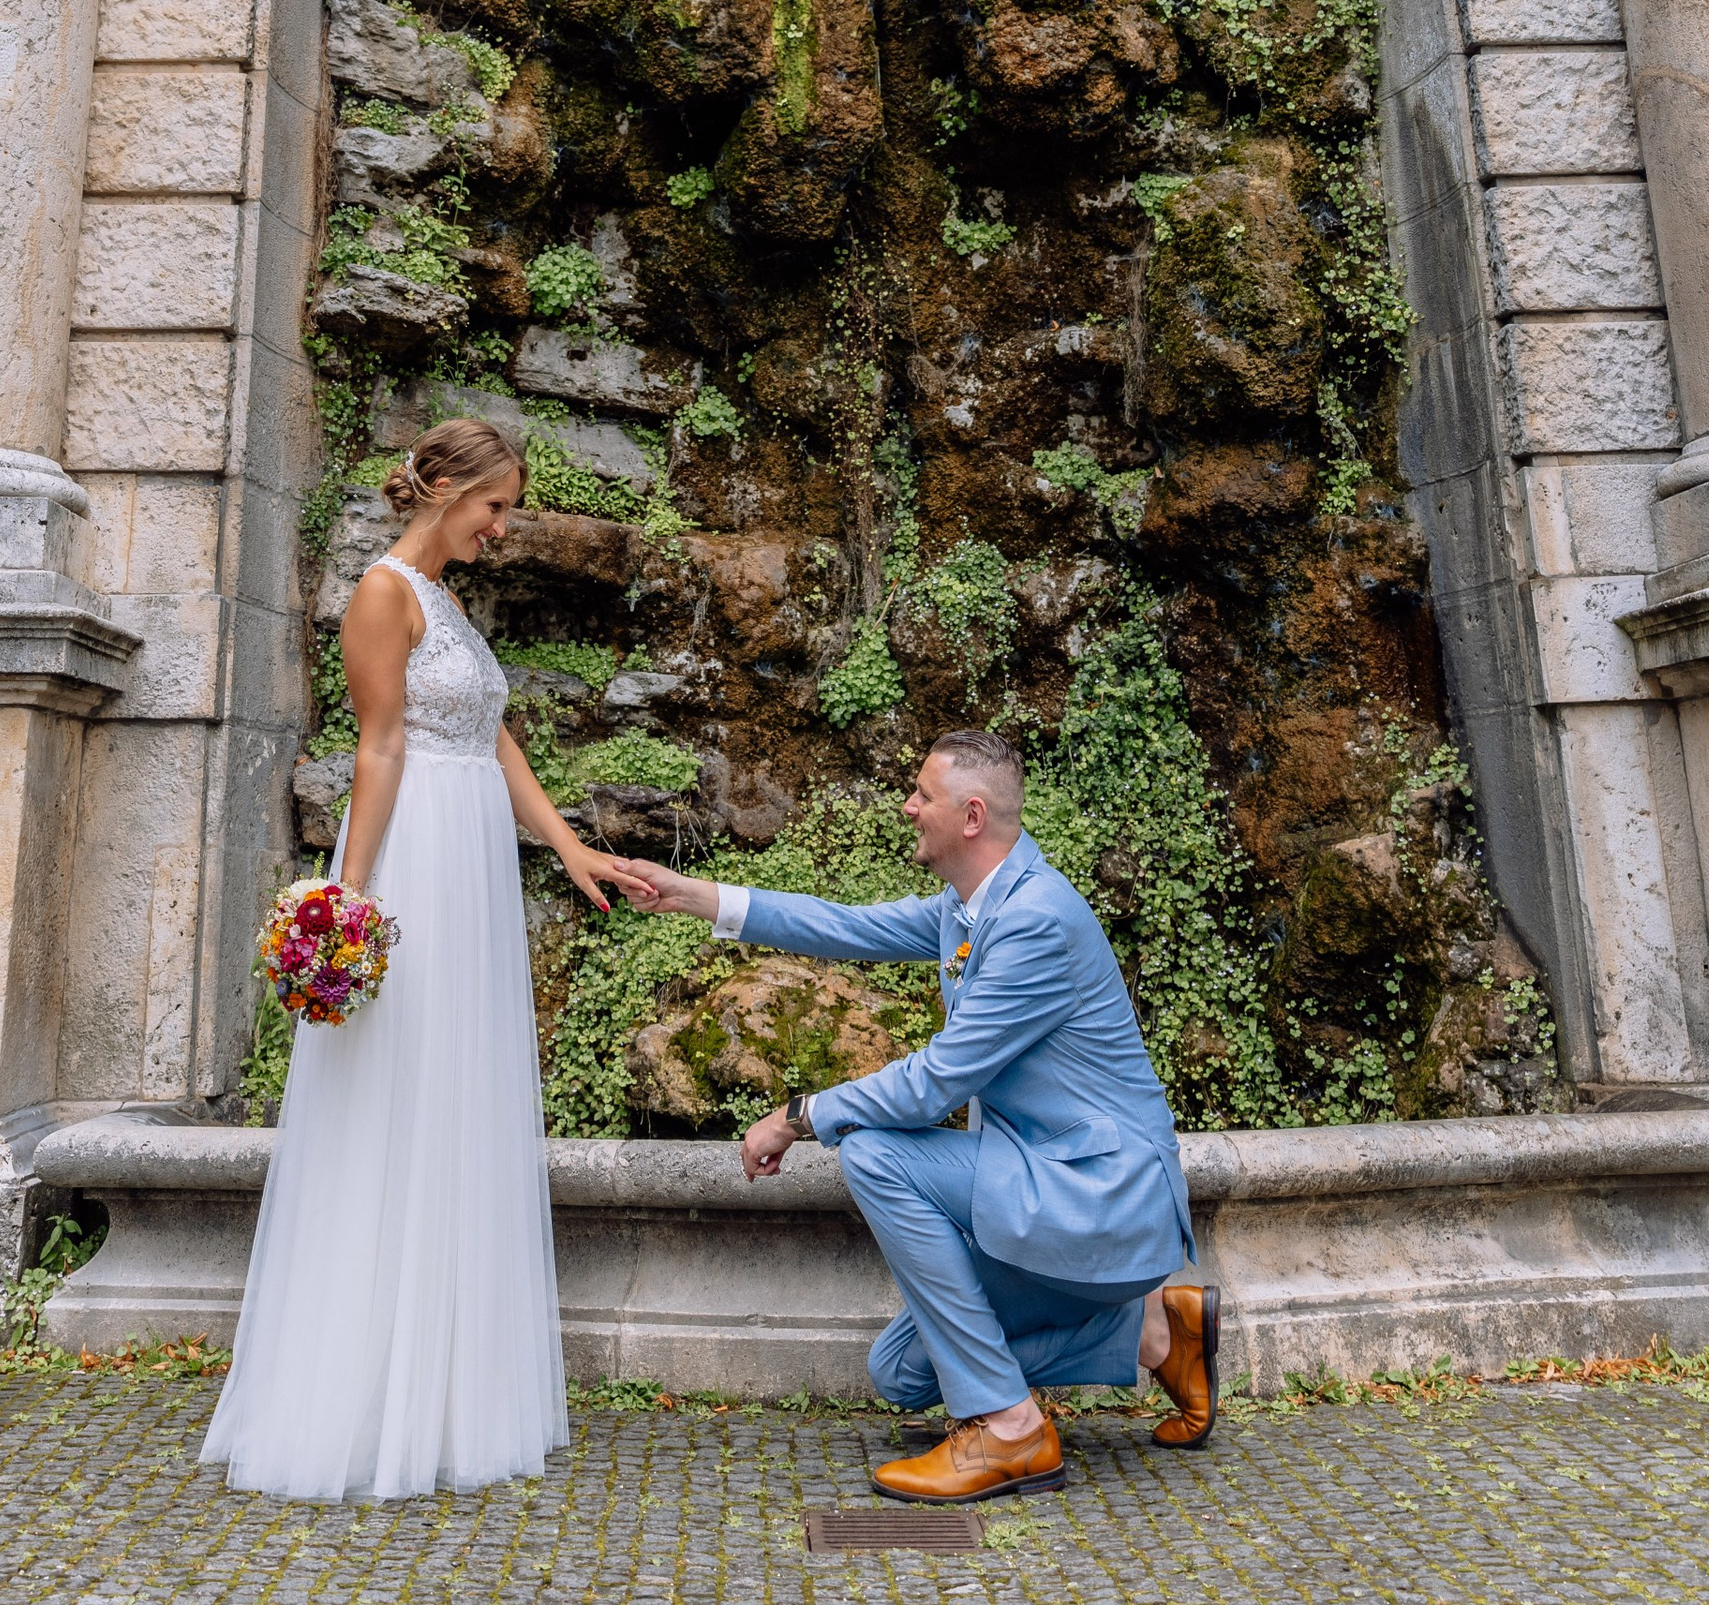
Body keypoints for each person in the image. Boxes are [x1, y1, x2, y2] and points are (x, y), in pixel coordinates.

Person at [201, 419, 637, 1501]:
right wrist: (348, 896)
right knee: (400, 1096)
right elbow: (381, 744)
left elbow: (491, 733)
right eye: (494, 506)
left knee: (459, 1097)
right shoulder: (383, 592)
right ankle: (364, 1393)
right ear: (441, 486)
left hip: (474, 848)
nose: (503, 526)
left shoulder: (447, 601)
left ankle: (449, 1387)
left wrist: (569, 843)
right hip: (417, 859)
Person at [617, 729, 1217, 1497]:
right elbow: (842, 925)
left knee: (874, 1151)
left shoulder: (1036, 922)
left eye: (921, 795)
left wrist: (799, 1115)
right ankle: (1159, 1333)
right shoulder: (967, 908)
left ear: (970, 816)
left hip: (1104, 1197)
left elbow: (936, 1083)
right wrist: (689, 894)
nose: (907, 806)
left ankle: (1009, 1430)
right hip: (1051, 1186)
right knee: (901, 1372)